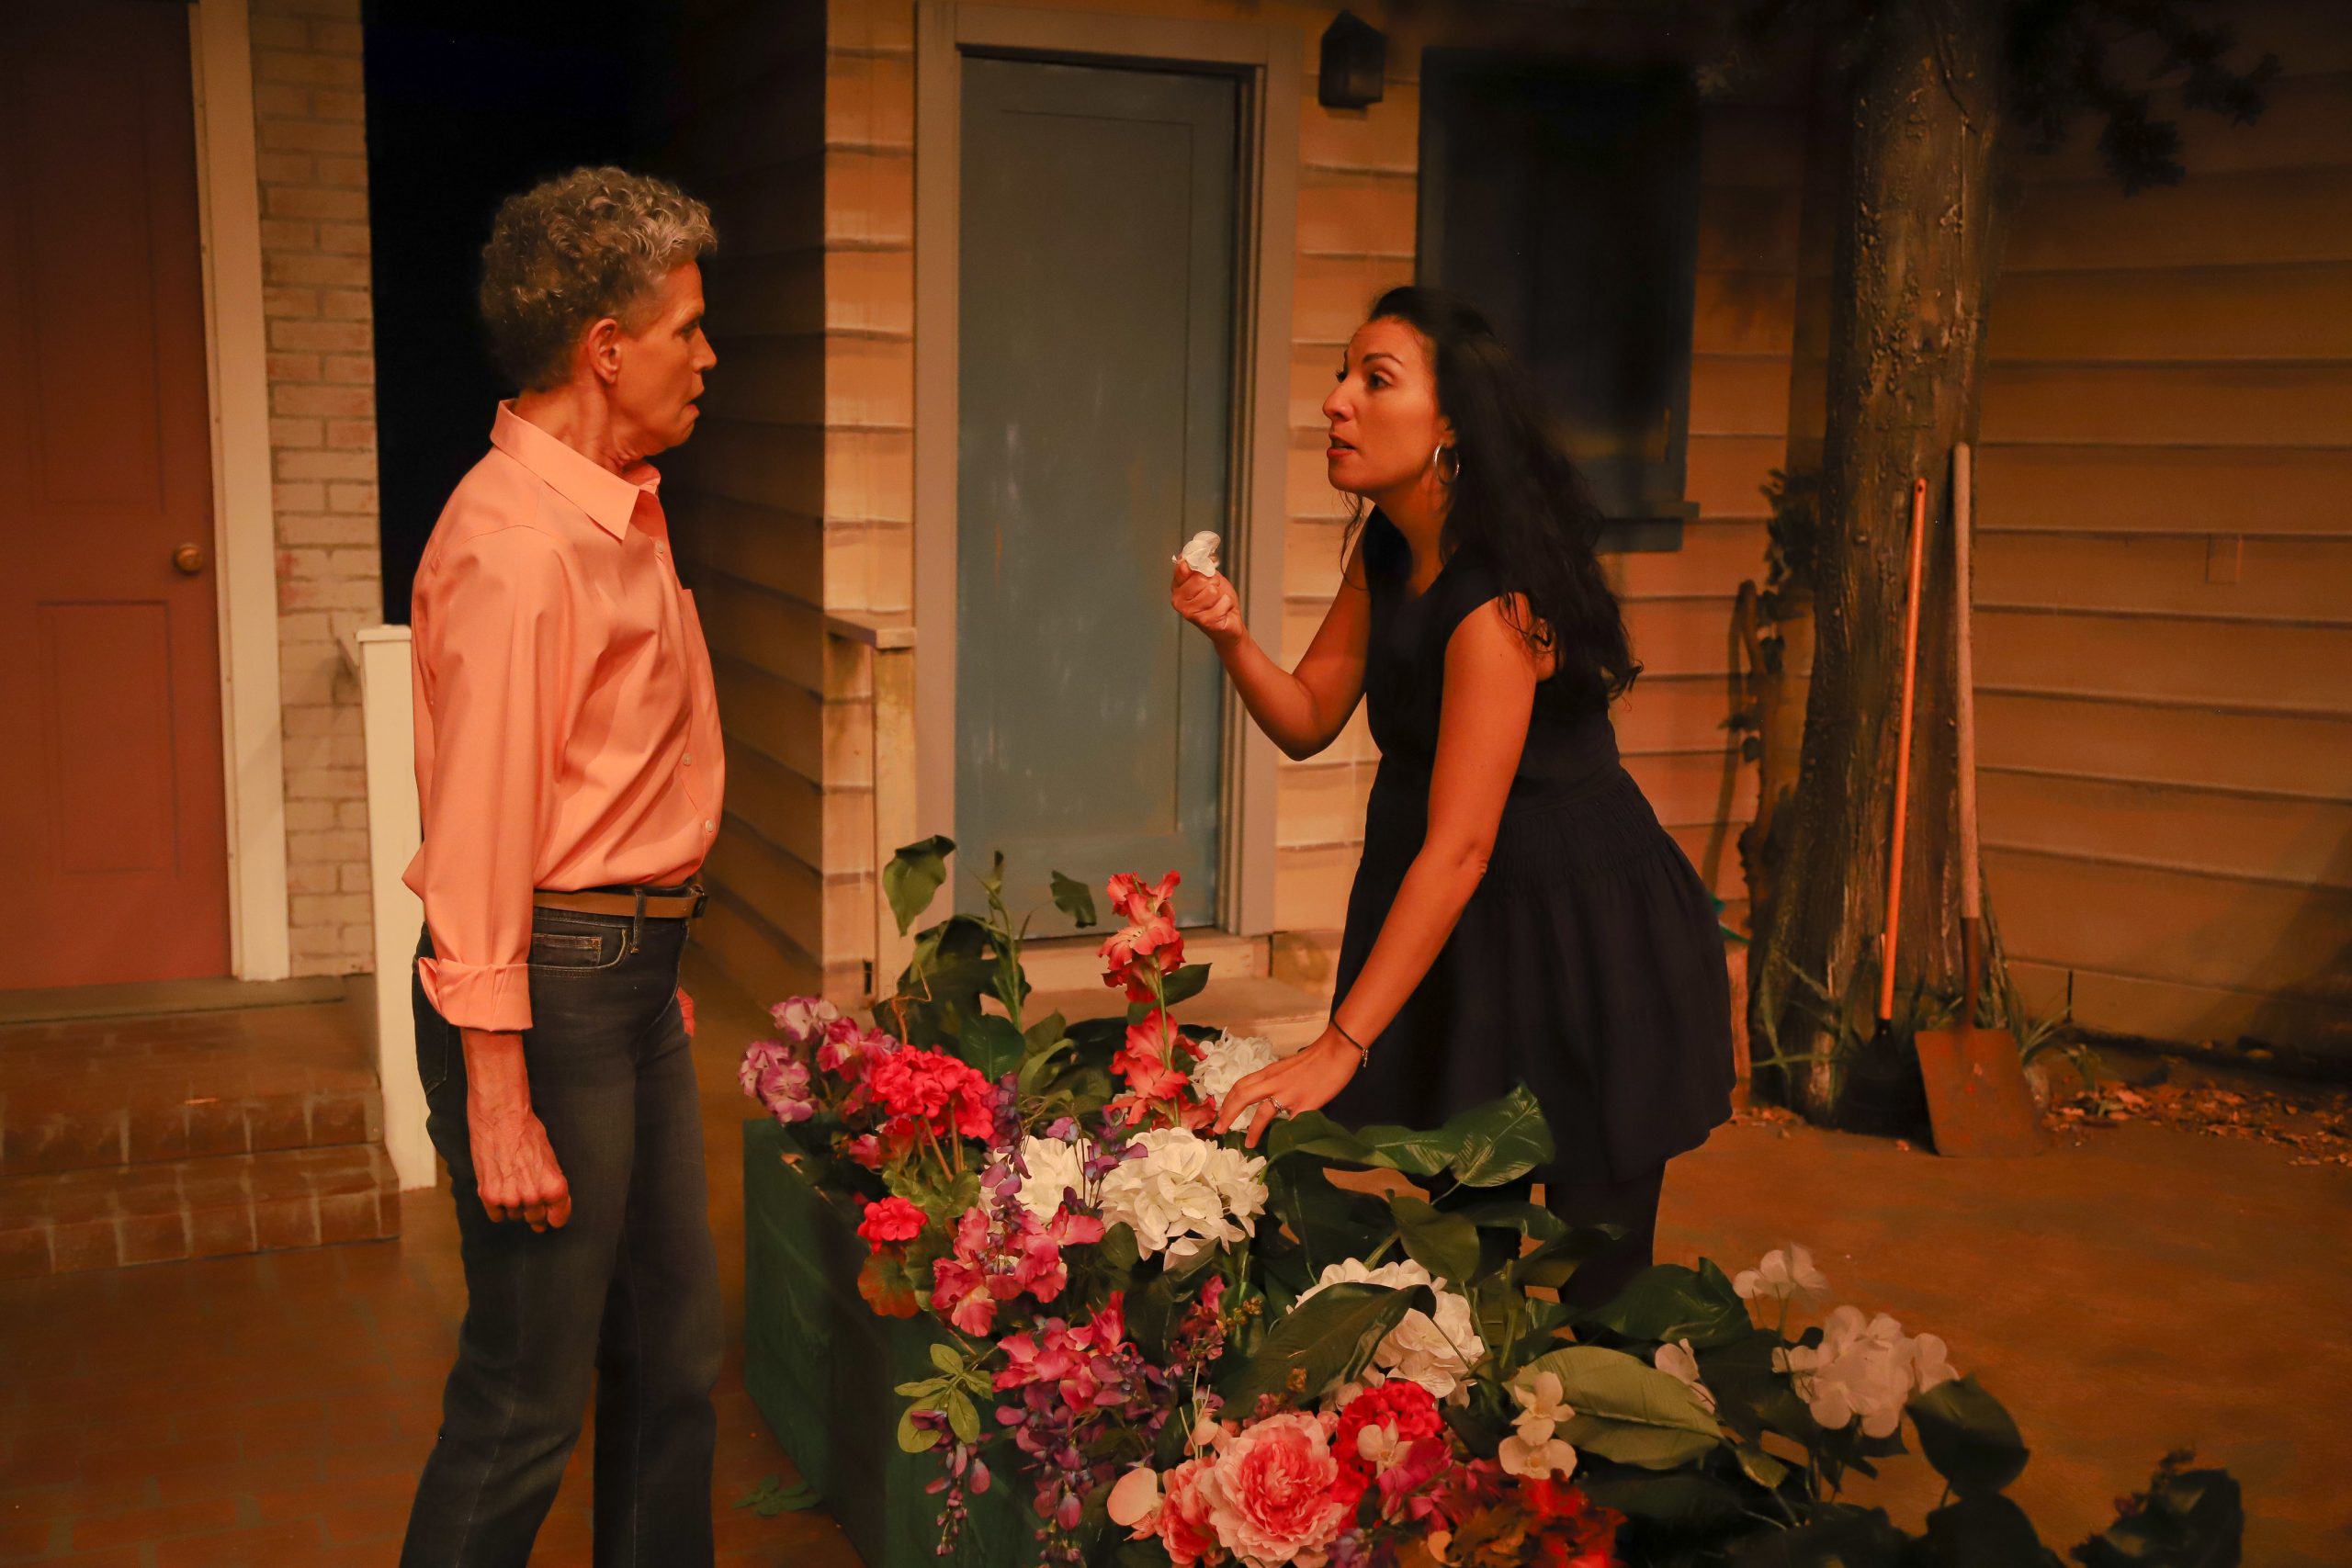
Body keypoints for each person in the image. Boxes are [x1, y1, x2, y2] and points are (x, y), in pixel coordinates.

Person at [1188, 287, 1733, 1307]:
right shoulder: (1388, 549)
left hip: (1581, 935)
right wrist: (1230, 634)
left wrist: (1340, 1043)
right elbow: (1309, 716)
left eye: (1374, 380)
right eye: (1342, 376)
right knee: (1463, 1272)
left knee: (1598, 1285)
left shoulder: (1496, 602)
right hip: (1465, 939)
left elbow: (1462, 846)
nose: (1335, 401)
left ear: (1451, 423)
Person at [400, 166, 726, 1566]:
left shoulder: (617, 510)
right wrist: (499, 1089)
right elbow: (480, 826)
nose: (707, 357)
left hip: (618, 975)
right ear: (606, 347)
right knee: (526, 1395)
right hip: (549, 990)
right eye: (686, 329)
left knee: (672, 1357)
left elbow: (621, 768)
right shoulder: (519, 543)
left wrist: (650, 949)